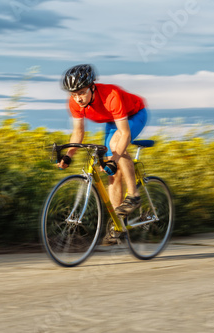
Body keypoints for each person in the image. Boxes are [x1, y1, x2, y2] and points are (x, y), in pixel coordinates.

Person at [57, 64, 148, 243]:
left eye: (82, 92)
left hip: (135, 114)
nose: (78, 98)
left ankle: (134, 196)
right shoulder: (75, 102)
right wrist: (69, 155)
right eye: (74, 94)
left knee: (115, 147)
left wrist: (114, 158)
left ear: (92, 86)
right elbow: (78, 133)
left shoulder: (111, 96)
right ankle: (118, 225)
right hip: (113, 120)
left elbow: (125, 133)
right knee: (111, 172)